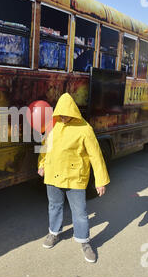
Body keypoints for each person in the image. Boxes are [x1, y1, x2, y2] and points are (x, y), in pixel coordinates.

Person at [37, 93, 110, 263]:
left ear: (73, 111)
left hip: (74, 177)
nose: (63, 117)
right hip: (53, 174)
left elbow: (96, 156)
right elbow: (44, 147)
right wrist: (41, 164)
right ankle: (53, 233)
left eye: (66, 114)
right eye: (60, 114)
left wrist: (100, 181)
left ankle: (84, 241)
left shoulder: (85, 129)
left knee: (80, 212)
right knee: (54, 206)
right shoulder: (53, 125)